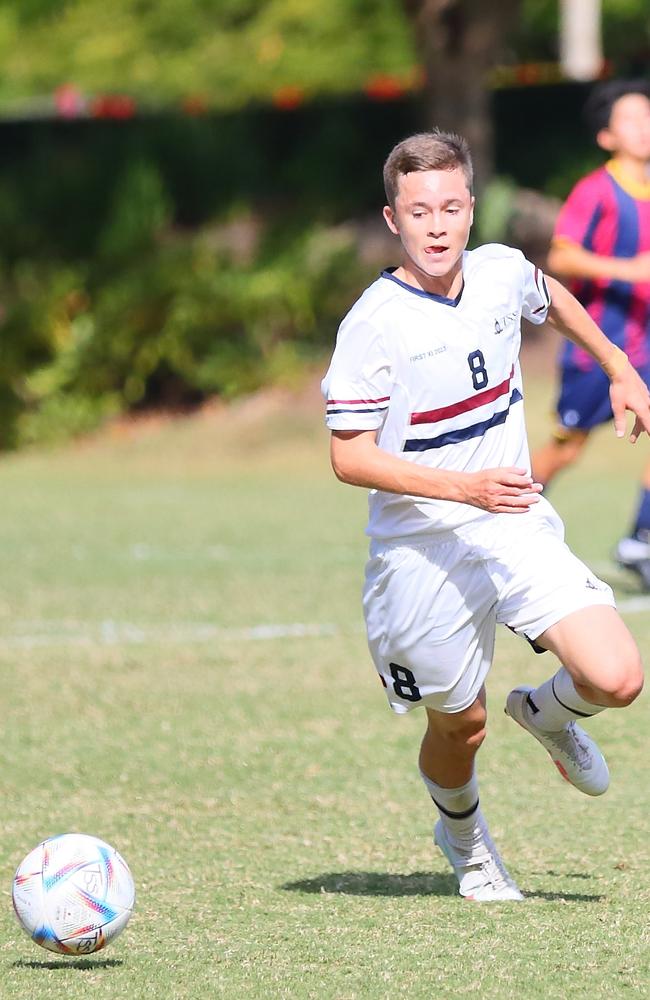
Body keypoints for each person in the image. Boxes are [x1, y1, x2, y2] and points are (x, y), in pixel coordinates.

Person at [321, 130, 648, 902]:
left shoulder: (500, 271)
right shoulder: (374, 322)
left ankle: (543, 711)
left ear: (471, 210)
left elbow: (551, 295)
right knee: (459, 728)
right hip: (421, 548)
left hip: (510, 520)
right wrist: (462, 488)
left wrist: (619, 366)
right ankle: (465, 841)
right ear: (392, 219)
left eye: (452, 207)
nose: (437, 225)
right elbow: (349, 457)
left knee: (617, 676)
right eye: (419, 210)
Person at [532, 79, 650, 588]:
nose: (645, 126)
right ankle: (499, 520)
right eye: (631, 118)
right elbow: (560, 256)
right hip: (600, 352)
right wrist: (628, 271)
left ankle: (642, 539)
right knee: (567, 448)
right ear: (607, 136)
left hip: (647, 347)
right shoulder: (596, 191)